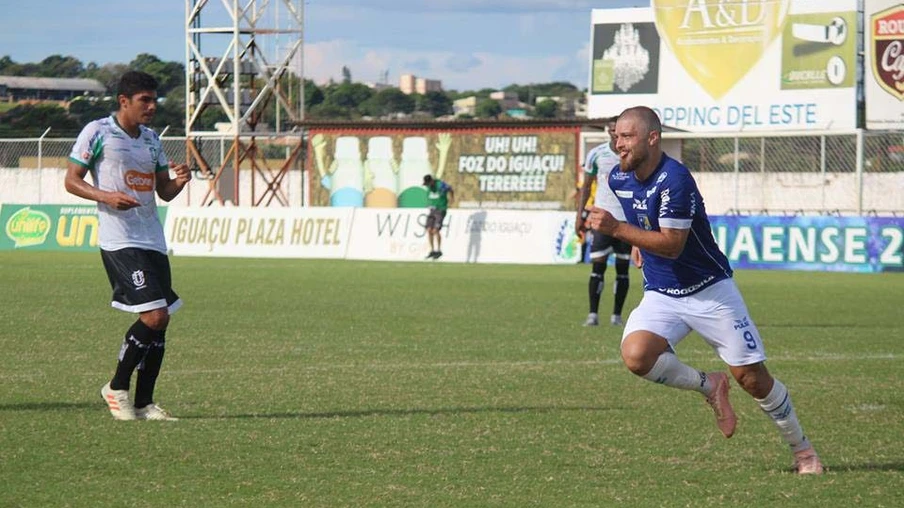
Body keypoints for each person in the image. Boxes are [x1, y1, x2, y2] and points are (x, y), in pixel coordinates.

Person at [588, 106, 824, 474]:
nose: (619, 144)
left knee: (752, 379)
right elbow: (643, 219)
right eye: (616, 136)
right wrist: (637, 239)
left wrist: (619, 230)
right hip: (663, 293)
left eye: (627, 136)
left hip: (710, 291)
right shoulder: (620, 177)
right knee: (637, 356)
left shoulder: (676, 180)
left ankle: (804, 452)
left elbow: (671, 245)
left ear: (653, 138)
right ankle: (709, 385)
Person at [65, 71, 191, 421]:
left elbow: (163, 191)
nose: (151, 107)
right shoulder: (98, 131)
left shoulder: (152, 139)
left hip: (153, 238)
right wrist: (106, 195)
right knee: (155, 315)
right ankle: (117, 387)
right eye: (144, 100)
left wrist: (179, 182)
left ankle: (144, 403)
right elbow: (71, 180)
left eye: (154, 100)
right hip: (120, 240)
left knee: (160, 322)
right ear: (124, 101)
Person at [576, 117, 632, 327]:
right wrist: (580, 217)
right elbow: (586, 187)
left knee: (622, 269)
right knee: (597, 267)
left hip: (626, 221)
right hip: (601, 218)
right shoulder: (596, 154)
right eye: (611, 130)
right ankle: (593, 314)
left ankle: (616, 316)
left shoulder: (632, 155)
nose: (614, 134)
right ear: (607, 131)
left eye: (618, 130)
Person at [423, 174, 454, 259]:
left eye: (428, 184)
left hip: (441, 209)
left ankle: (439, 250)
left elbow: (450, 189)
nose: (427, 186)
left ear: (431, 181)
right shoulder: (429, 188)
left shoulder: (440, 185)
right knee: (429, 230)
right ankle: (432, 250)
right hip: (432, 210)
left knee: (436, 230)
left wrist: (452, 199)